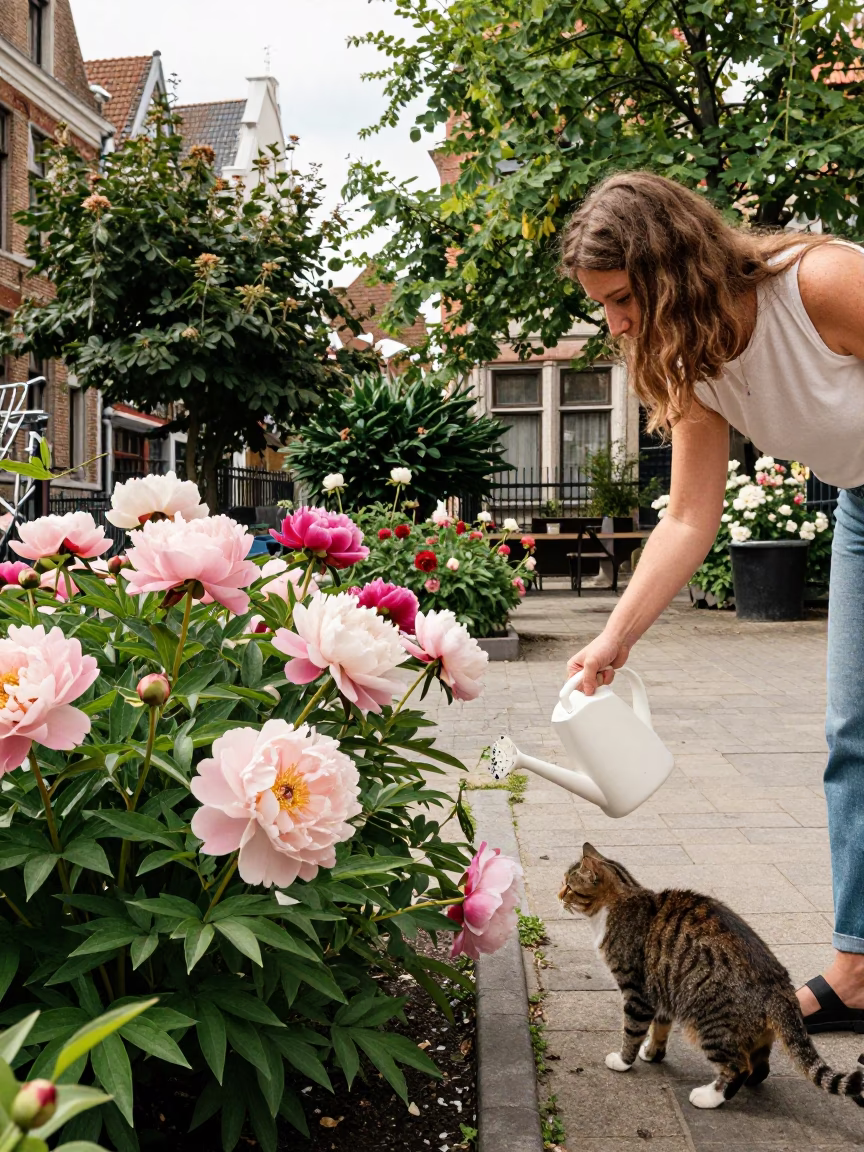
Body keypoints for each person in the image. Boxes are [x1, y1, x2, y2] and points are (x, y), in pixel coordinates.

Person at [561, 171, 864, 1034]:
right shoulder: (685, 357)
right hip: (860, 502)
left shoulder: (824, 284)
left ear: (673, 271)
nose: (615, 323)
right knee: (853, 735)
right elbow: (692, 515)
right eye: (602, 305)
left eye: (622, 299)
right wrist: (612, 640)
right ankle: (859, 968)